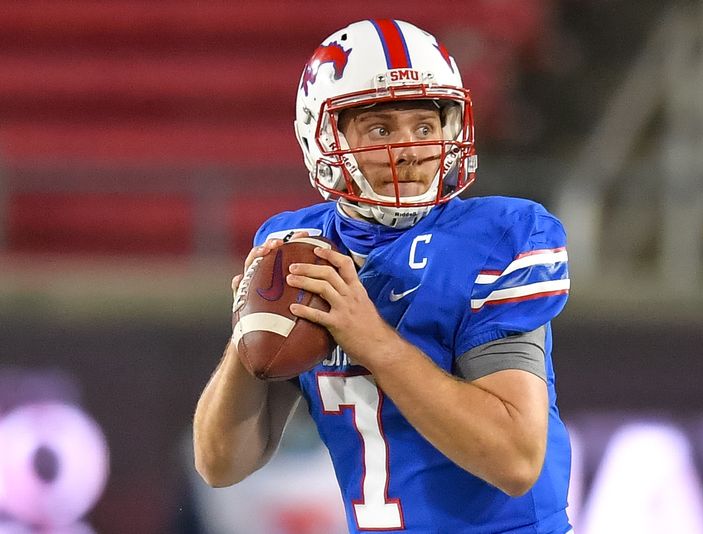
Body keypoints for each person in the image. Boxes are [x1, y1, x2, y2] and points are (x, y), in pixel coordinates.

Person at [193, 19, 573, 534]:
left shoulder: (501, 237)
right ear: (323, 136)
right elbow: (220, 464)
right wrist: (246, 346)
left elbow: (514, 460)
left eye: (424, 125)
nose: (410, 149)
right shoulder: (299, 246)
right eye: (380, 129)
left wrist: (372, 339)